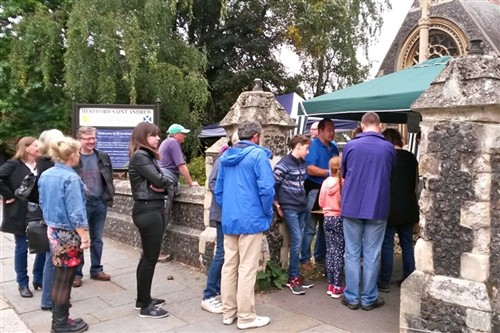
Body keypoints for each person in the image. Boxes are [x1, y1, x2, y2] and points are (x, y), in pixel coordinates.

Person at [215, 120, 274, 330]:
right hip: (251, 219)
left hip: (230, 219)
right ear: (256, 136)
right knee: (247, 268)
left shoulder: (225, 157)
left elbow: (218, 191)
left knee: (229, 266)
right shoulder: (258, 155)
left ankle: (228, 312)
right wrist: (267, 212)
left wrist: (230, 208)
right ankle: (246, 317)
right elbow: (267, 189)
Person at [340, 112, 396, 311]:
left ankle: (352, 297)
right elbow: (389, 172)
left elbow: (344, 173)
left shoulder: (350, 146)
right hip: (378, 205)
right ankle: (369, 297)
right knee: (372, 253)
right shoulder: (389, 148)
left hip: (352, 204)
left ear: (362, 126)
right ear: (379, 126)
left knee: (352, 253)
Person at [38, 136, 90, 333]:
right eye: (77, 152)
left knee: (60, 277)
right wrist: (84, 237)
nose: (79, 155)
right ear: (71, 155)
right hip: (68, 234)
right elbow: (76, 213)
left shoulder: (47, 174)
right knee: (66, 279)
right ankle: (61, 323)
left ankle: (59, 320)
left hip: (53, 230)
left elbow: (42, 202)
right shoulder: (71, 178)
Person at [128, 122, 172, 318]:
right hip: (148, 210)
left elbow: (160, 182)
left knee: (147, 257)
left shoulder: (144, 156)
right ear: (143, 136)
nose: (158, 138)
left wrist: (162, 184)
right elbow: (163, 180)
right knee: (150, 258)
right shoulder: (140, 156)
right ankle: (146, 306)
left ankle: (142, 299)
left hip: (150, 208)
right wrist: (163, 183)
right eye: (153, 135)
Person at [0, 136, 44, 298]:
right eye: (35, 145)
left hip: (39, 212)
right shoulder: (14, 164)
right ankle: (22, 283)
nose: (39, 147)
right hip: (19, 212)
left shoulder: (41, 164)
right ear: (26, 148)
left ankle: (39, 278)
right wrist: (8, 195)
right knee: (21, 247)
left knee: (43, 246)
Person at [377, 128, 419, 293]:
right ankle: (409, 277)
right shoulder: (411, 158)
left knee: (387, 245)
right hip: (408, 206)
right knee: (407, 244)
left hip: (389, 206)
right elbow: (415, 182)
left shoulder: (387, 157)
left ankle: (384, 281)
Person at [73, 126, 115, 287]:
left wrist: (106, 196)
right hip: (81, 203)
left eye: (93, 138)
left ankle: (96, 269)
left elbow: (108, 177)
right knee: (79, 239)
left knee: (97, 238)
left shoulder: (102, 156)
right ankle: (77, 273)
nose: (91, 141)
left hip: (99, 202)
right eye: (87, 138)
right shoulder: (74, 157)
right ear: (80, 140)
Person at [273, 135, 311, 295]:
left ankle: (295, 274)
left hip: (301, 206)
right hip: (289, 207)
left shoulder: (302, 163)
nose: (308, 152)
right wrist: (277, 205)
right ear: (299, 147)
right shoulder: (283, 164)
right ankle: (292, 277)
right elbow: (273, 184)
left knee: (300, 239)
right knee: (297, 240)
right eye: (306, 148)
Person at [301, 118, 338, 272]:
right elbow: (310, 169)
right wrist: (330, 173)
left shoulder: (334, 148)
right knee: (310, 226)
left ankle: (320, 256)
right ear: (321, 130)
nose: (332, 133)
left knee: (325, 225)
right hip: (314, 189)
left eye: (333, 130)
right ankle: (304, 258)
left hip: (331, 189)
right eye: (329, 130)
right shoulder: (314, 146)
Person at [34, 129, 65, 311]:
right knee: (51, 259)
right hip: (55, 218)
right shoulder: (50, 166)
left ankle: (44, 288)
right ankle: (48, 299)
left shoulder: (42, 163)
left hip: (48, 216)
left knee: (46, 255)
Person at [200, 141, 232, 314]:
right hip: (223, 214)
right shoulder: (223, 159)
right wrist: (229, 201)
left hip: (227, 213)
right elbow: (212, 184)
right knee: (221, 252)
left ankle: (218, 289)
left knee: (226, 252)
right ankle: (209, 295)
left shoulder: (229, 157)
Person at [319, 156, 345, 299]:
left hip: (326, 217)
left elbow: (321, 201)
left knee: (330, 251)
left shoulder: (325, 182)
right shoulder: (343, 183)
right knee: (339, 251)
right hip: (339, 218)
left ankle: (330, 283)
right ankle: (337, 285)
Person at [158, 123, 199, 191]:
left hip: (161, 175)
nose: (185, 136)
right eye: (183, 133)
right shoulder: (174, 143)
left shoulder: (165, 142)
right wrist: (191, 182)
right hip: (168, 176)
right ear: (175, 134)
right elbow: (181, 165)